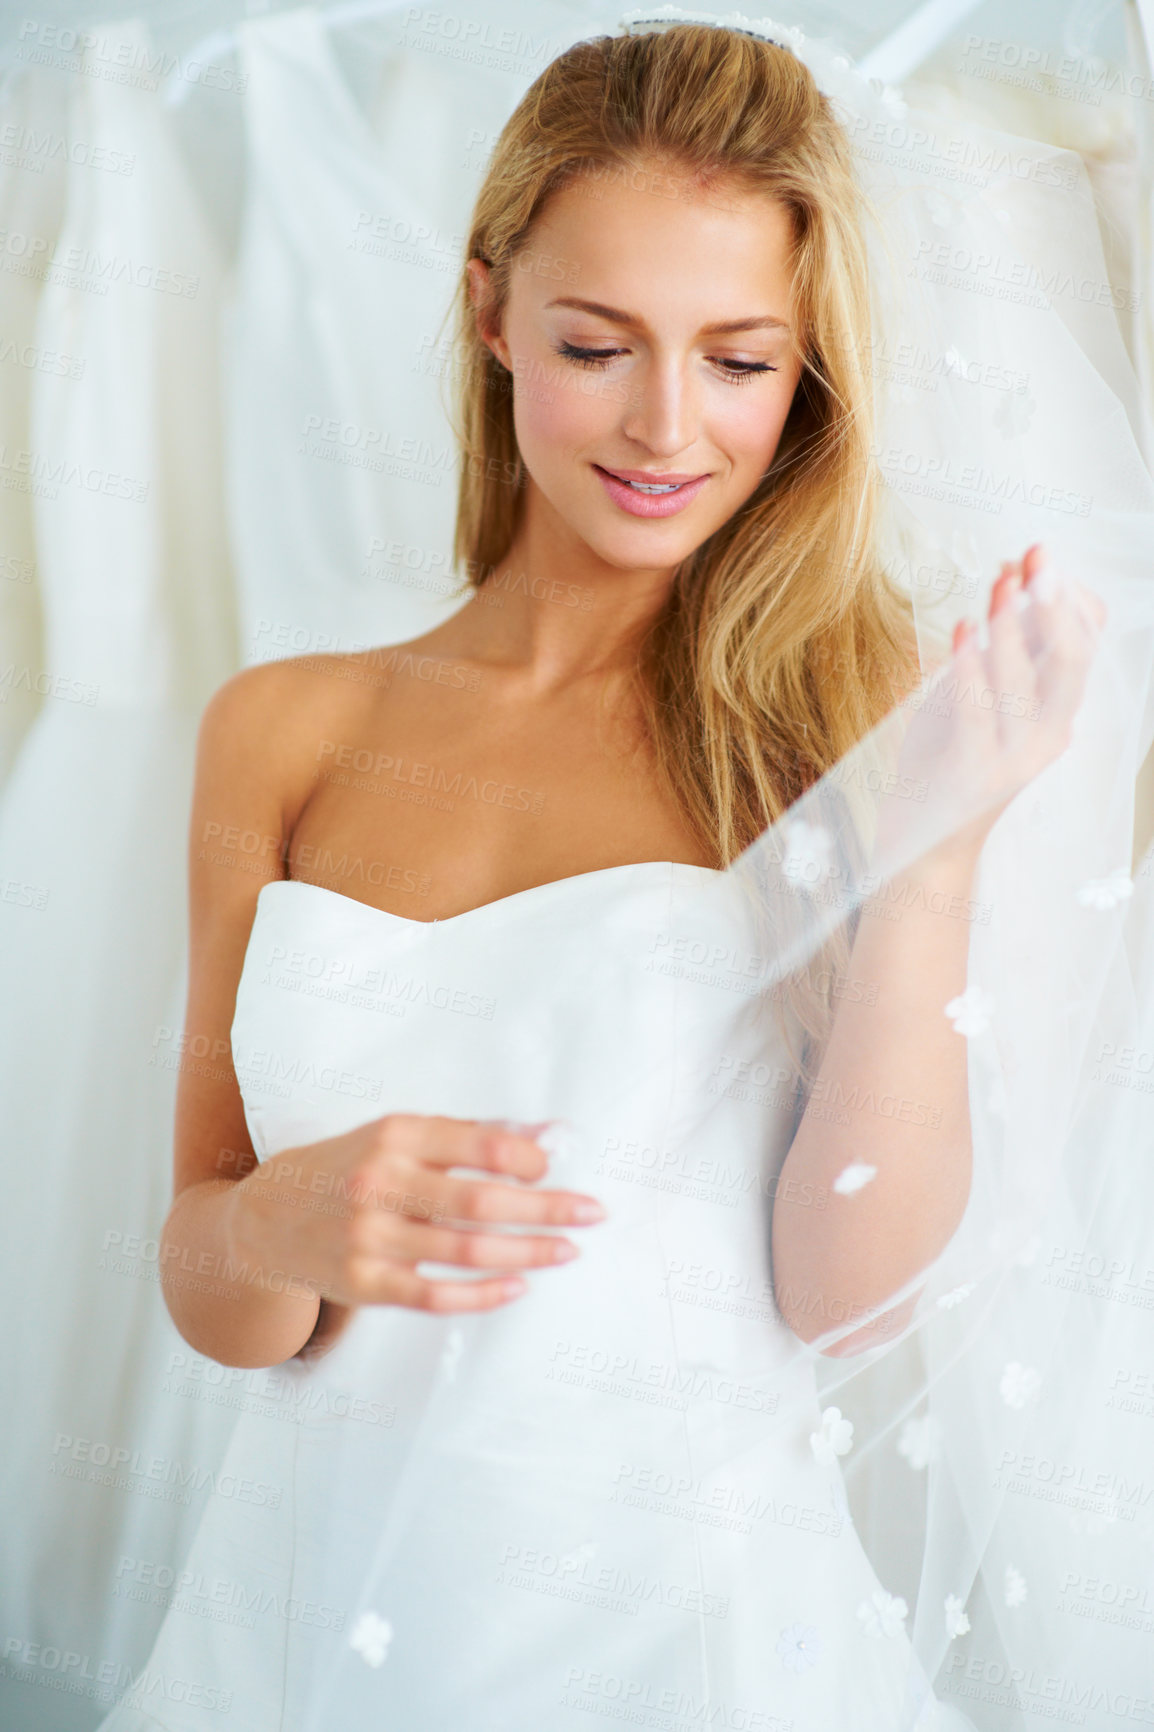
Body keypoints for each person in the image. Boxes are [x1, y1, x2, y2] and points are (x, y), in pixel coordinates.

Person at [97, 16, 1107, 1731]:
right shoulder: (278, 731)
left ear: (809, 374)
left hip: (684, 1645)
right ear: (489, 310)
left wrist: (927, 863)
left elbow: (840, 1301)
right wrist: (283, 1217)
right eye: (595, 343)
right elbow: (214, 1288)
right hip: (286, 1631)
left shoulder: (849, 723)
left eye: (738, 360)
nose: (664, 426)